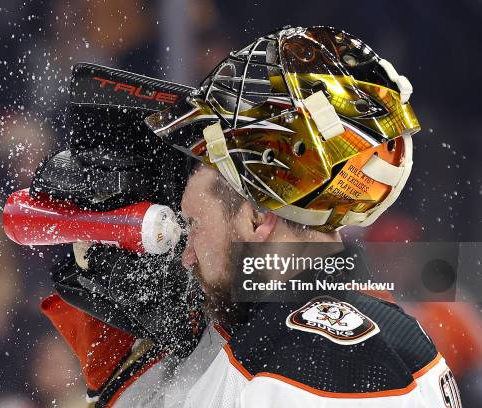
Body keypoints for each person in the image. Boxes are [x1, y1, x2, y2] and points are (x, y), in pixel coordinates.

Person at [40, 26, 461, 407]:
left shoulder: (322, 366)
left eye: (194, 226)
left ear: (258, 219)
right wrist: (128, 363)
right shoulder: (281, 336)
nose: (185, 257)